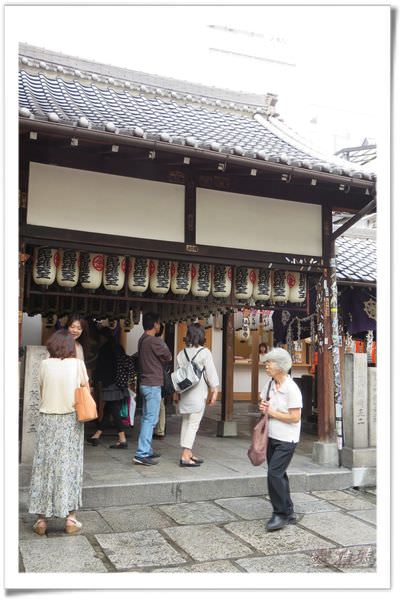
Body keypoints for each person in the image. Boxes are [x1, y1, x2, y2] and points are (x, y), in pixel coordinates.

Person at [28, 329, 89, 535]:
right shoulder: (78, 364)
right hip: (70, 420)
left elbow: (42, 389)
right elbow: (85, 390)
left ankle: (41, 521)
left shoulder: (45, 364)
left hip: (47, 420)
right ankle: (70, 519)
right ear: (71, 347)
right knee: (69, 467)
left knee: (45, 466)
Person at [258, 347, 303, 532]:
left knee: (274, 474)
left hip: (287, 439)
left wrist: (272, 412)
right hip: (271, 436)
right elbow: (261, 401)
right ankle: (289, 511)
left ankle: (280, 514)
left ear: (280, 366)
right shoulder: (269, 384)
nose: (266, 365)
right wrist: (263, 406)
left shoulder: (292, 389)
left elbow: (295, 417)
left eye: (269, 362)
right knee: (279, 473)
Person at [175, 323, 219, 467]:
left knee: (187, 422)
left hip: (185, 393)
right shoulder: (204, 352)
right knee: (193, 424)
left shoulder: (181, 354)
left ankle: (188, 452)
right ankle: (186, 455)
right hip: (198, 393)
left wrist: (176, 394)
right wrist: (215, 390)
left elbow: (180, 375)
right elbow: (210, 372)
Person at [132, 312, 172, 466]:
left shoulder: (142, 339)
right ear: (155, 324)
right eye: (159, 323)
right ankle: (142, 453)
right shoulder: (154, 341)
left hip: (145, 383)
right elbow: (168, 356)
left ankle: (146, 449)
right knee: (151, 419)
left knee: (146, 418)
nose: (160, 325)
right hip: (153, 384)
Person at [88, 327, 133, 449]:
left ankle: (122, 439)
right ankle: (96, 435)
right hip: (119, 383)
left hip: (110, 384)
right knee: (109, 409)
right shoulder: (118, 347)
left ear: (102, 337)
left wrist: (94, 381)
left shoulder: (104, 349)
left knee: (114, 411)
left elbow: (100, 368)